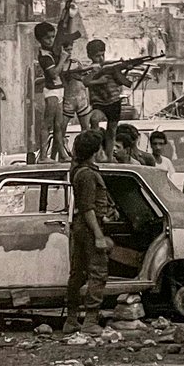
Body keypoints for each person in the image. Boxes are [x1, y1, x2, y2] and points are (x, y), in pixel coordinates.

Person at [65, 129, 115, 334]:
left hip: (82, 227)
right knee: (98, 273)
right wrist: (99, 235)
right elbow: (87, 209)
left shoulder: (80, 170)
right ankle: (90, 321)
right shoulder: (87, 174)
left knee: (77, 274)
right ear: (96, 151)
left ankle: (71, 320)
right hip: (88, 228)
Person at [85, 39, 132, 161]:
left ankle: (109, 157)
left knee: (112, 132)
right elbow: (85, 81)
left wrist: (126, 68)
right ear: (90, 56)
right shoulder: (91, 69)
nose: (100, 58)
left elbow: (122, 81)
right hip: (99, 103)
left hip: (114, 101)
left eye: (102, 55)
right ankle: (98, 152)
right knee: (94, 119)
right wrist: (98, 81)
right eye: (97, 56)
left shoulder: (111, 67)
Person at [35, 22, 69, 162]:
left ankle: (62, 154)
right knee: (47, 123)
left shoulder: (51, 53)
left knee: (58, 125)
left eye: (52, 37)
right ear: (40, 39)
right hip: (52, 92)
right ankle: (43, 156)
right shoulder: (45, 56)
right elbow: (54, 73)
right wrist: (62, 59)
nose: (51, 40)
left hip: (59, 91)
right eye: (47, 38)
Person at [60, 40, 93, 131]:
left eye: (71, 50)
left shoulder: (75, 63)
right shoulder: (59, 65)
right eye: (67, 50)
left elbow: (83, 77)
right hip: (67, 99)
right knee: (62, 128)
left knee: (85, 127)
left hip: (81, 98)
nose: (69, 52)